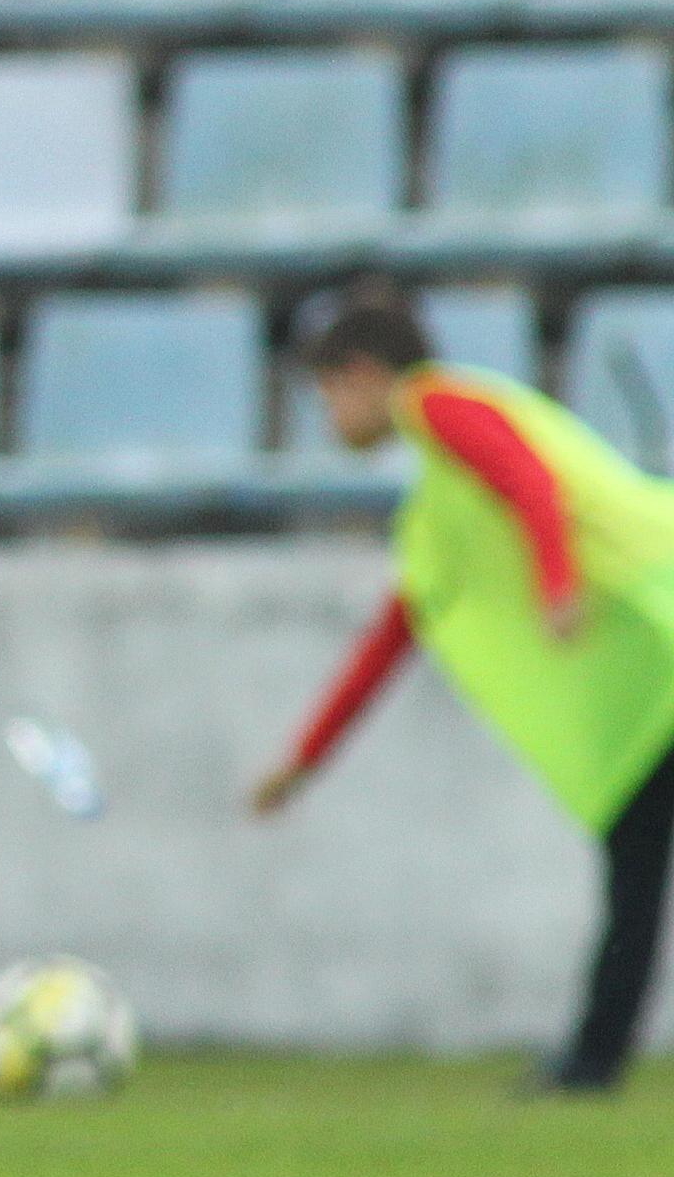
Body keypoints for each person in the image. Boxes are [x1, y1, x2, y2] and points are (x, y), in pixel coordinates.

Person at [252, 285, 674, 1093]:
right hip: (651, 684)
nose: (328, 415)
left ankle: (593, 1059)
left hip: (661, 649)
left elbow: (532, 481)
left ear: (367, 374)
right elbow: (396, 634)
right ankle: (594, 1059)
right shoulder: (435, 507)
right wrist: (304, 760)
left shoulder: (438, 404)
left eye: (328, 391)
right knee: (635, 857)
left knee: (636, 864)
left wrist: (556, 584)